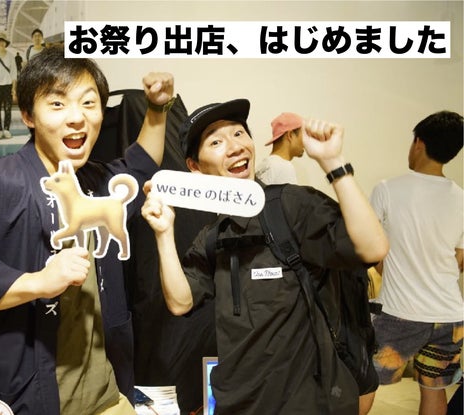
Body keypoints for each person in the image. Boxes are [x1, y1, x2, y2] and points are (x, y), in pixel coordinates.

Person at [0, 45, 174, 415]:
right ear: (28, 115)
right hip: (25, 402)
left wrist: (158, 108)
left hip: (108, 399)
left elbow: (141, 165)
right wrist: (37, 282)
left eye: (88, 103)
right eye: (57, 104)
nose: (77, 117)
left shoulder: (98, 181)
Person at [141, 98, 389, 414]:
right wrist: (163, 233)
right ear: (194, 167)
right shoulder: (212, 236)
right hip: (235, 403)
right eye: (216, 142)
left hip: (304, 403)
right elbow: (180, 301)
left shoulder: (291, 205)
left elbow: (373, 248)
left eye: (238, 133)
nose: (235, 147)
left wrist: (334, 164)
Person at [366, 110, 463, 415]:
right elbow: (459, 260)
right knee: (434, 390)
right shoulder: (461, 198)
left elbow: (369, 249)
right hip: (449, 317)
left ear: (418, 142)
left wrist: (394, 271)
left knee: (364, 384)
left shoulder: (387, 189)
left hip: (400, 316)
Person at [256, 112, 304, 184]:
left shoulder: (262, 167)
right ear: (290, 135)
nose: (306, 142)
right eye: (304, 135)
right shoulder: (285, 167)